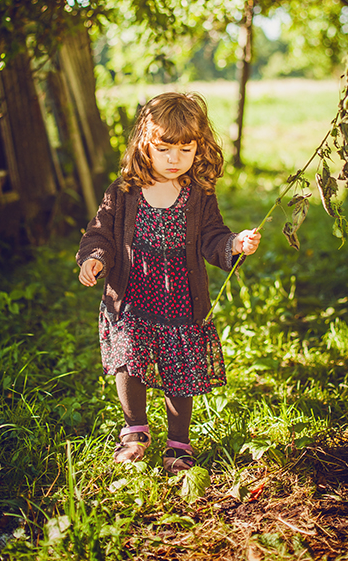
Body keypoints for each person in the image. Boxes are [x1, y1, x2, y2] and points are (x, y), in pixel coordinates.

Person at [76, 92, 260, 473]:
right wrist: (95, 257)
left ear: (198, 148)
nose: (174, 159)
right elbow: (101, 232)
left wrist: (234, 244)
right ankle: (135, 430)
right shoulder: (123, 192)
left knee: (180, 371)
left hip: (180, 302)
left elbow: (212, 236)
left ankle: (178, 442)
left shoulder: (198, 195)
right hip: (132, 297)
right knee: (129, 360)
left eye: (185, 149)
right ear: (145, 145)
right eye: (164, 149)